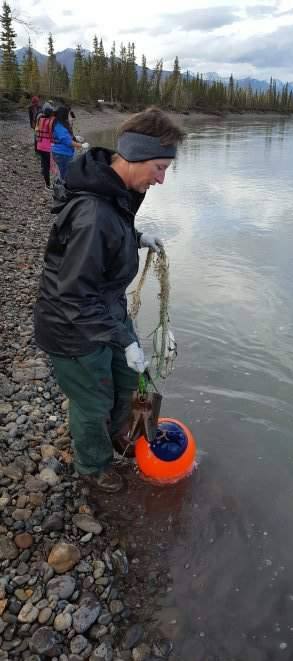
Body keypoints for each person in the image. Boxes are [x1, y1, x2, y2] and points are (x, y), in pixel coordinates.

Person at [34, 107, 185, 493]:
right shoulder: (93, 213)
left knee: (136, 384)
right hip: (73, 328)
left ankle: (123, 436)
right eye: (160, 167)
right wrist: (124, 340)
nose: (162, 179)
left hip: (105, 310)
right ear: (134, 156)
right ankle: (93, 464)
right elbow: (73, 296)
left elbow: (103, 244)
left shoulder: (111, 190)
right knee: (93, 402)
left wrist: (136, 238)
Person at [51, 106, 83, 180]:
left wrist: (76, 138)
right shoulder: (59, 126)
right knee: (66, 175)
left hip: (62, 153)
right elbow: (67, 141)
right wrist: (81, 145)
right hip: (62, 154)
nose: (69, 117)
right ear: (64, 115)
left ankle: (64, 186)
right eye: (68, 114)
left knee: (64, 173)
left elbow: (66, 136)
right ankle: (64, 188)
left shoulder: (60, 123)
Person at [35, 102, 54, 190]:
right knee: (47, 166)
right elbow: (52, 134)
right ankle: (48, 185)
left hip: (39, 145)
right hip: (46, 147)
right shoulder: (50, 122)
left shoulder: (40, 119)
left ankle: (45, 179)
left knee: (44, 163)